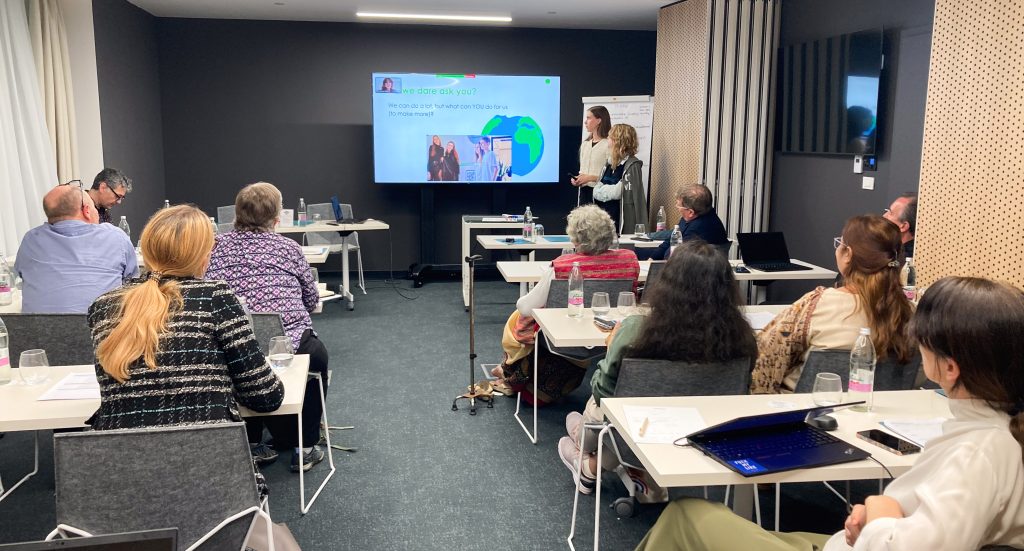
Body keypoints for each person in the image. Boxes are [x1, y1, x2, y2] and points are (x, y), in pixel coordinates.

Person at [635, 276, 1024, 551]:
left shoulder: (979, 452)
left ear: (951, 368)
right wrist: (878, 514)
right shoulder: (995, 433)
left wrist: (881, 511)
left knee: (685, 516)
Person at [557, 241, 757, 498]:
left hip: (636, 432)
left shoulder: (635, 330)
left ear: (667, 282)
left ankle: (584, 452)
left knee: (601, 411)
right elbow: (741, 391)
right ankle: (583, 440)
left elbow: (603, 392)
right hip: (708, 435)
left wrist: (609, 351)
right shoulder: (743, 338)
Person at [87, 205, 284, 431]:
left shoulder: (102, 306)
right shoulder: (215, 297)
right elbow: (265, 396)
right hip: (208, 455)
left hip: (116, 457)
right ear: (202, 255)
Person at [206, 182, 330, 473]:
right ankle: (306, 445)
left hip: (233, 345)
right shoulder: (289, 248)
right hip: (289, 344)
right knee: (317, 359)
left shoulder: (214, 248)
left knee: (236, 364)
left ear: (236, 215)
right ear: (276, 218)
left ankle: (251, 444)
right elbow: (311, 300)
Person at [493, 204, 640, 405]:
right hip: (608, 335)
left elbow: (526, 307)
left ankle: (512, 374)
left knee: (517, 319)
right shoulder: (629, 260)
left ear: (576, 238)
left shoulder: (563, 266)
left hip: (564, 335)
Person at [750, 214, 914, 394]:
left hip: (803, 412)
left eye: (840, 244)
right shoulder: (910, 313)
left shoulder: (816, 304)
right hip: (878, 416)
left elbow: (765, 358)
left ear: (848, 255)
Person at [15, 184, 138, 313]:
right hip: (101, 330)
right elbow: (132, 284)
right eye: (93, 207)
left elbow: (20, 276)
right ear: (86, 210)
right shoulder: (116, 237)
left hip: (38, 331)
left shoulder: (31, 239)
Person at [640, 185, 729, 261]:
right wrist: (652, 258)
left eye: (679, 205)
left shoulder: (700, 228)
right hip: (679, 263)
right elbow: (670, 240)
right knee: (634, 252)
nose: (677, 207)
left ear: (690, 212)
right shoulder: (695, 215)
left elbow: (672, 255)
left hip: (689, 272)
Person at [593, 123, 647, 233]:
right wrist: (610, 190)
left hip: (620, 223)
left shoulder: (632, 165)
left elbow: (628, 195)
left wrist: (604, 189)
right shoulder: (608, 164)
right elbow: (595, 191)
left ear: (618, 141)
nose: (607, 140)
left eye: (609, 137)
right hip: (604, 223)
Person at [571, 106, 611, 206]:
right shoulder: (585, 144)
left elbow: (611, 176)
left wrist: (590, 178)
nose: (585, 122)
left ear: (599, 120)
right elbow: (583, 171)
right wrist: (578, 179)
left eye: (589, 118)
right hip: (584, 194)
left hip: (601, 194)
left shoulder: (608, 145)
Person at [882, 192, 917, 258]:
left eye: (890, 213)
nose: (884, 216)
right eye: (887, 210)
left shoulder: (900, 260)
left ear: (903, 226)